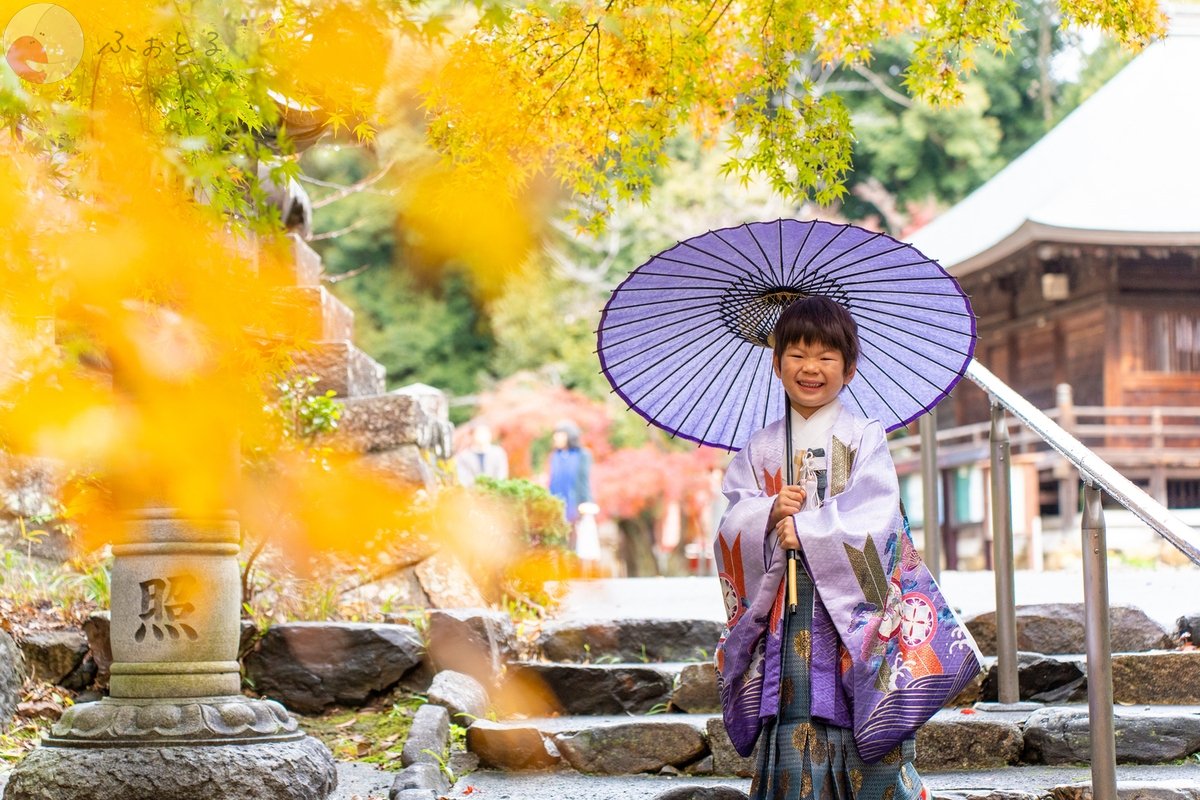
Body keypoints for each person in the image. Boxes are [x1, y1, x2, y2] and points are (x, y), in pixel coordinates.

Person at [713, 297, 982, 800]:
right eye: (796, 354)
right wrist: (769, 514)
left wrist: (810, 533)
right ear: (776, 363)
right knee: (794, 707)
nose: (810, 368)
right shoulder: (760, 447)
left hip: (852, 614)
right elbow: (731, 521)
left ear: (850, 368)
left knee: (855, 711)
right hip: (785, 612)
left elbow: (879, 516)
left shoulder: (865, 437)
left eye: (826, 356)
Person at [547, 420, 593, 540]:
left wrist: (585, 502)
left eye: (559, 434)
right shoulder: (555, 456)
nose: (555, 437)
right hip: (556, 505)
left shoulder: (582, 455)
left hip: (575, 505)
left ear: (569, 436)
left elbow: (583, 480)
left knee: (573, 540)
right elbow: (552, 481)